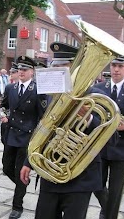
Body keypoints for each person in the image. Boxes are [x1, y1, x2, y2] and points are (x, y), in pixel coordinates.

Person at [20, 42, 108, 219]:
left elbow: (110, 138)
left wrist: (88, 118)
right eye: (55, 66)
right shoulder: (50, 95)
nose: (58, 70)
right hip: (50, 176)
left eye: (64, 66)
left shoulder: (95, 95)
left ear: (75, 68)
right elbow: (42, 130)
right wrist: (28, 161)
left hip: (80, 178)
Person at [0, 56, 47, 219]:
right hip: (11, 134)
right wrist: (4, 116)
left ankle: (17, 206)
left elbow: (43, 116)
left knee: (20, 170)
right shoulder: (10, 88)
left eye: (25, 70)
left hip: (27, 136)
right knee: (6, 168)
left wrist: (38, 138)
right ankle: (22, 185)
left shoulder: (38, 90)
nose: (21, 72)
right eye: (19, 69)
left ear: (32, 72)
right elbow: (3, 107)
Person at [93, 56, 124, 219]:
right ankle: (108, 211)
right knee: (96, 184)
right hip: (101, 146)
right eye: (113, 65)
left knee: (116, 190)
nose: (115, 69)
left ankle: (109, 215)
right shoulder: (100, 87)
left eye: (120, 66)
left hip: (122, 148)